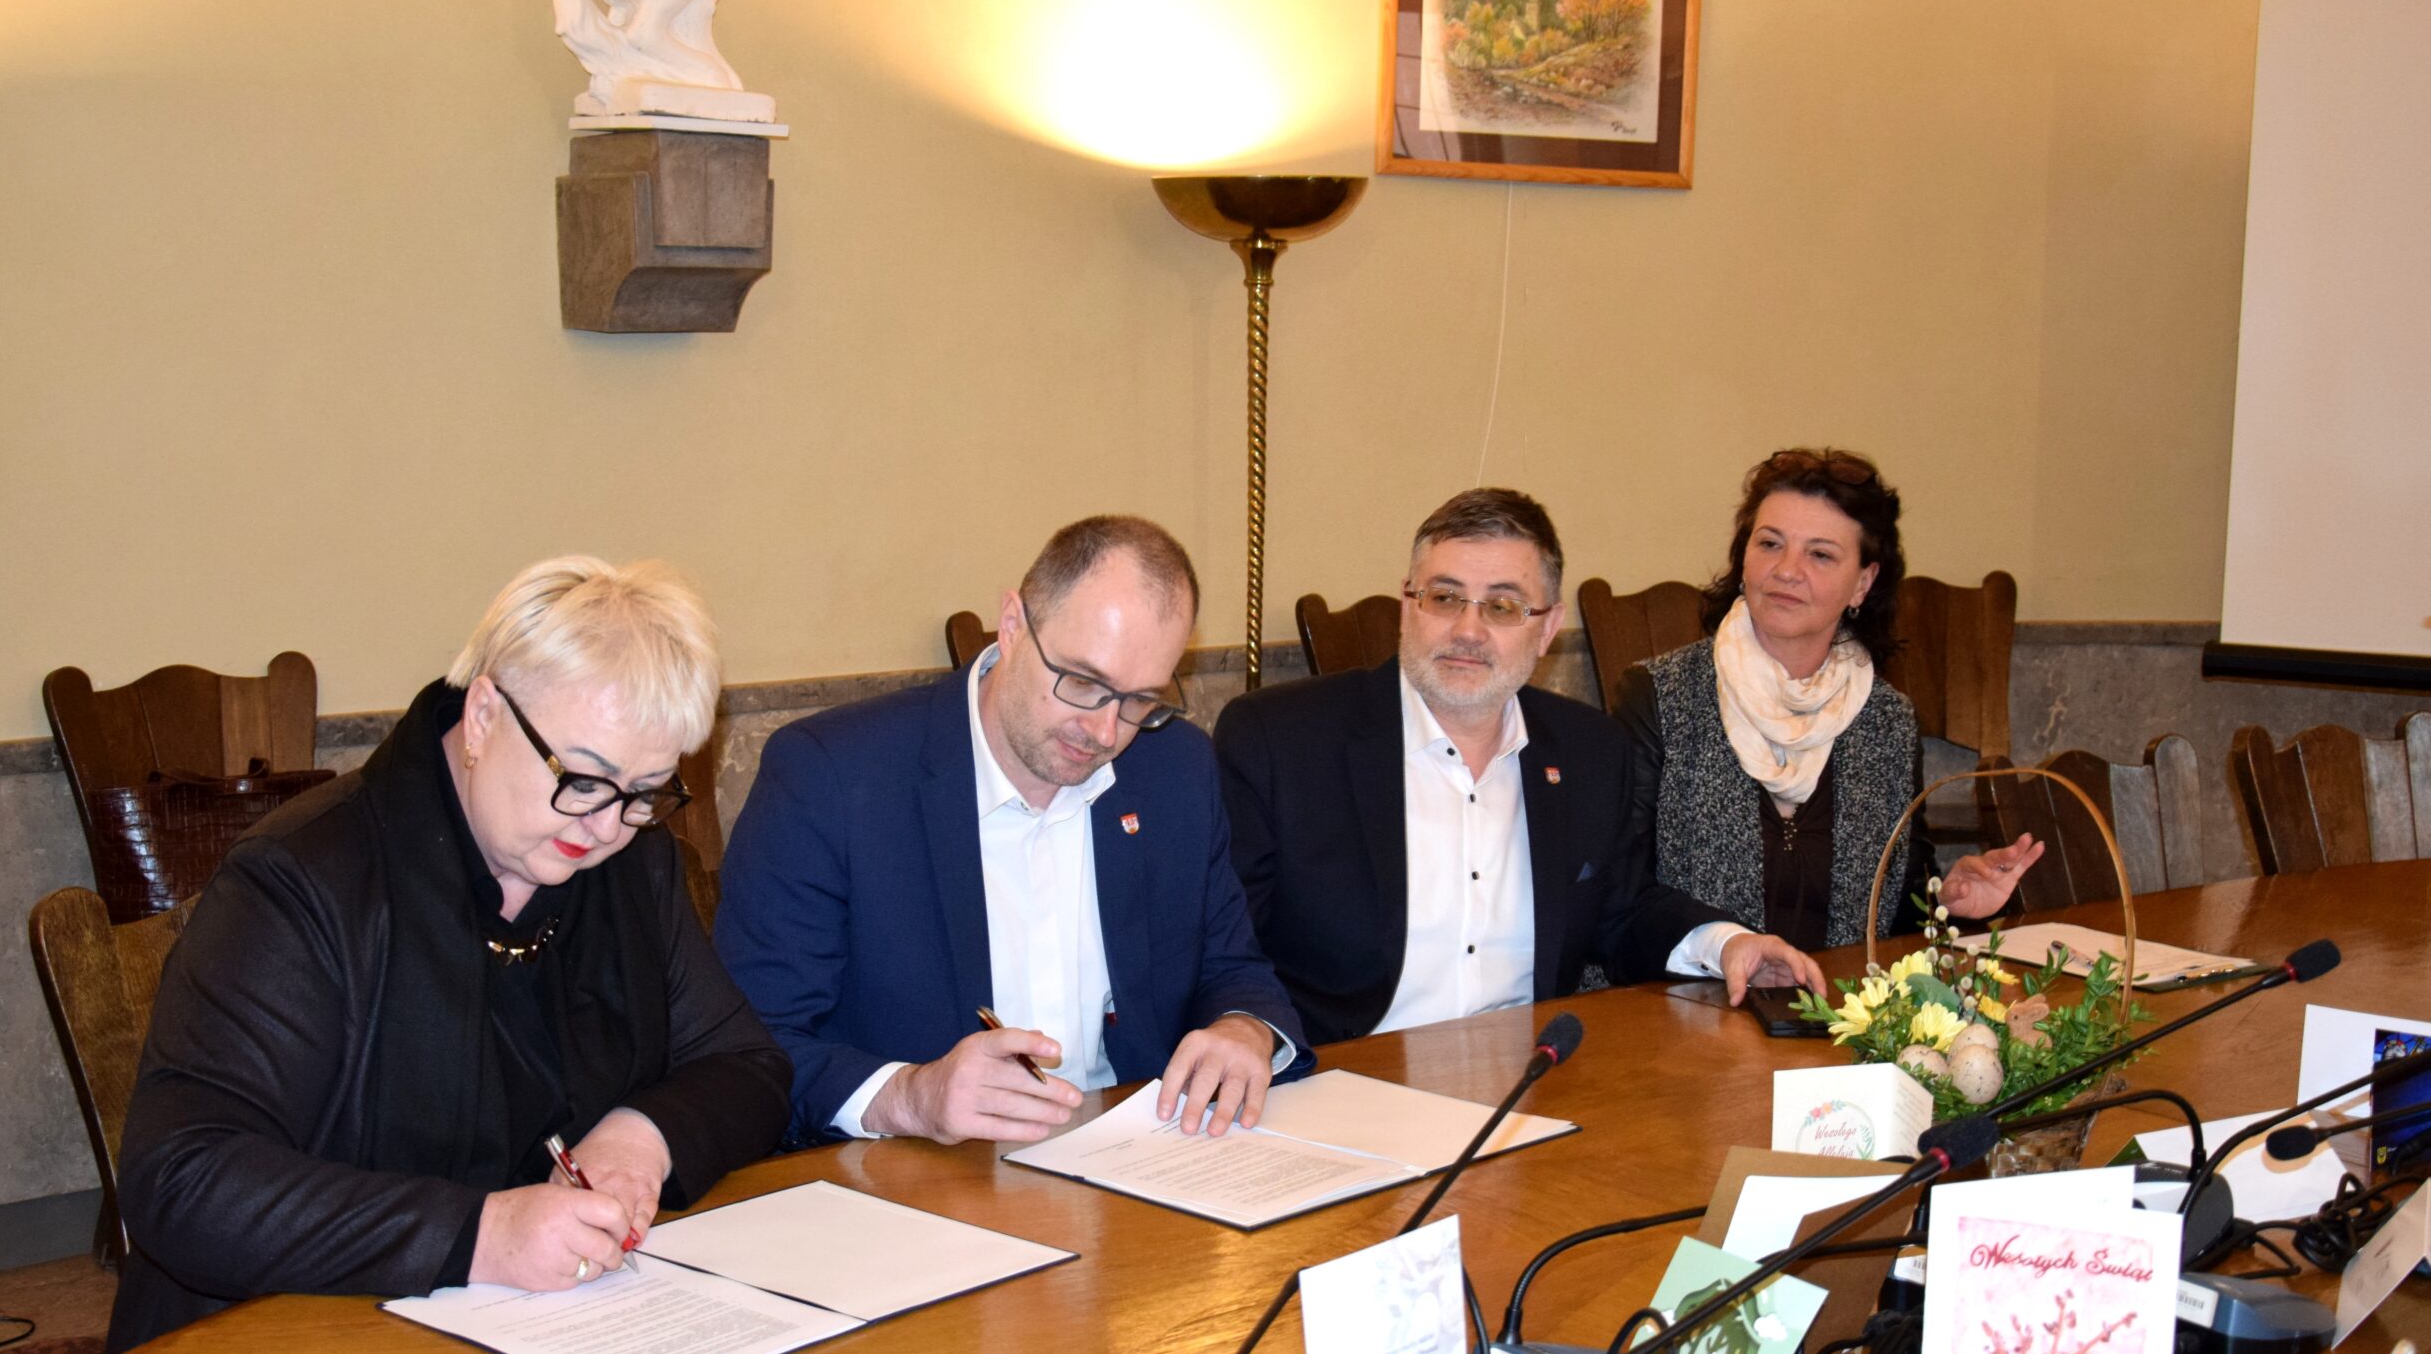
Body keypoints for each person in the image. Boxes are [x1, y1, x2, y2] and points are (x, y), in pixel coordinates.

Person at [109, 558, 791, 1354]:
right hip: (275, 1349)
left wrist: (640, 1135)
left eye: (645, 791)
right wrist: (482, 1234)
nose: (608, 826)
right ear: (483, 715)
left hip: (537, 1339)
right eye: (584, 778)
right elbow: (183, 1177)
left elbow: (747, 1065)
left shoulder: (634, 868)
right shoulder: (303, 879)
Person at [717, 515, 1310, 1148]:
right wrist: (910, 1096)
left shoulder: (1174, 769)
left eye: (1141, 700)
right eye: (1083, 683)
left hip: (1136, 1158)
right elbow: (747, 1046)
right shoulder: (832, 777)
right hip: (918, 1173)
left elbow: (1232, 967)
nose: (1105, 732)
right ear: (1012, 625)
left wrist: (1244, 1029)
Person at [1213, 488, 1826, 1045]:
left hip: (1527, 1086)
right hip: (1344, 1079)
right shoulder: (1281, 740)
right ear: (1407, 604)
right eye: (1444, 597)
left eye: (1504, 607)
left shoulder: (1588, 749)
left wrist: (1728, 943)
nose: (1468, 630)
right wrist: (1246, 1027)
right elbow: (1221, 940)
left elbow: (1621, 910)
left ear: (1548, 628)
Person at [1610, 449, 2041, 954]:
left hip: (1840, 997)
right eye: (1770, 543)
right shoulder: (1660, 697)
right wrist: (1722, 948)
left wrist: (1948, 900)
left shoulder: (1888, 722)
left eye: (1820, 554)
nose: (1786, 570)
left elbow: (1895, 905)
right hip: (1687, 995)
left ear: (1863, 583)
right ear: (1743, 558)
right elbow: (1618, 898)